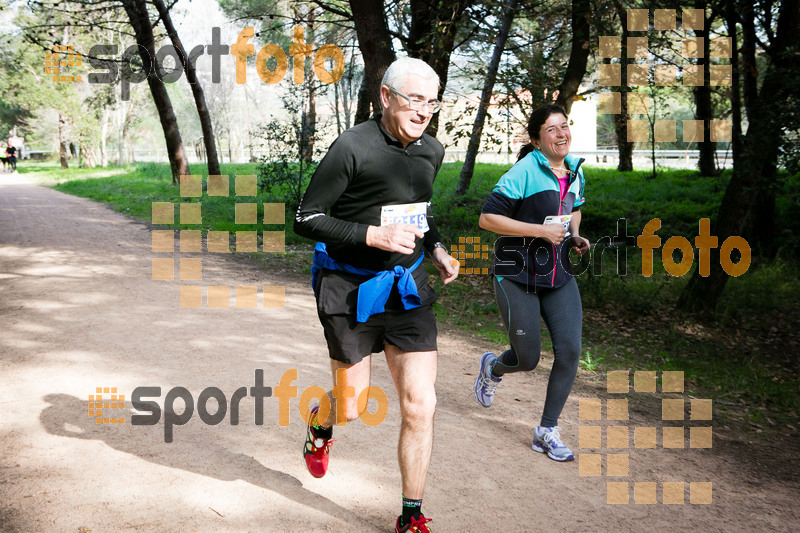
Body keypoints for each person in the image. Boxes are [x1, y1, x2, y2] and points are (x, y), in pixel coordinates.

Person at [293, 57, 458, 533]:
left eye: (432, 102)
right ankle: (321, 425)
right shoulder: (352, 147)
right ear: (386, 97)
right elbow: (305, 218)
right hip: (348, 288)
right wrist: (373, 236)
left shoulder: (432, 150)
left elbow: (420, 213)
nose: (424, 111)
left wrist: (439, 250)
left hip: (406, 288)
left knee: (419, 404)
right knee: (352, 406)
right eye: (414, 100)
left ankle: (411, 515)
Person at [473, 104, 590, 462]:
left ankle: (546, 430)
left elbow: (574, 207)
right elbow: (487, 218)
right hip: (517, 274)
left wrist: (575, 234)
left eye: (564, 126)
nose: (561, 133)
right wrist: (539, 230)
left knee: (570, 351)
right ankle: (493, 368)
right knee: (527, 359)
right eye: (552, 129)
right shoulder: (524, 171)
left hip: (558, 275)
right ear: (538, 138)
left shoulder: (574, 171)